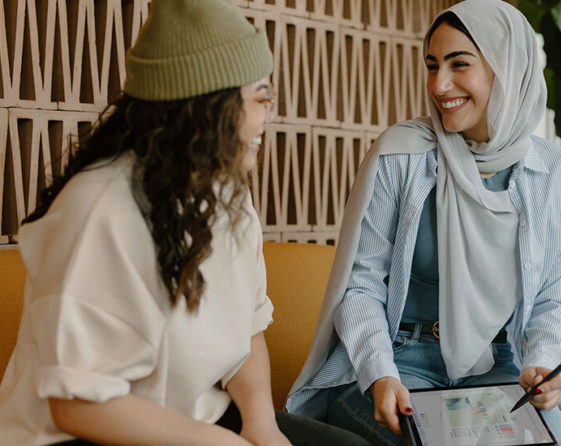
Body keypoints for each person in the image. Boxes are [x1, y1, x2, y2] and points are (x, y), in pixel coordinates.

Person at [0, 1, 370, 445]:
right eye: (258, 99)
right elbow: (77, 404)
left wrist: (259, 423)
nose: (265, 118)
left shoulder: (227, 191)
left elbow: (248, 328)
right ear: (205, 107)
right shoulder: (100, 207)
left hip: (194, 420)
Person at [286, 0, 561, 445]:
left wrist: (540, 364)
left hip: (498, 366)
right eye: (432, 65)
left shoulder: (558, 172)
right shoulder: (402, 154)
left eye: (458, 64)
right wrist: (380, 375)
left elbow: (554, 301)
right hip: (399, 361)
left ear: (507, 67)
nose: (440, 85)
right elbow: (361, 285)